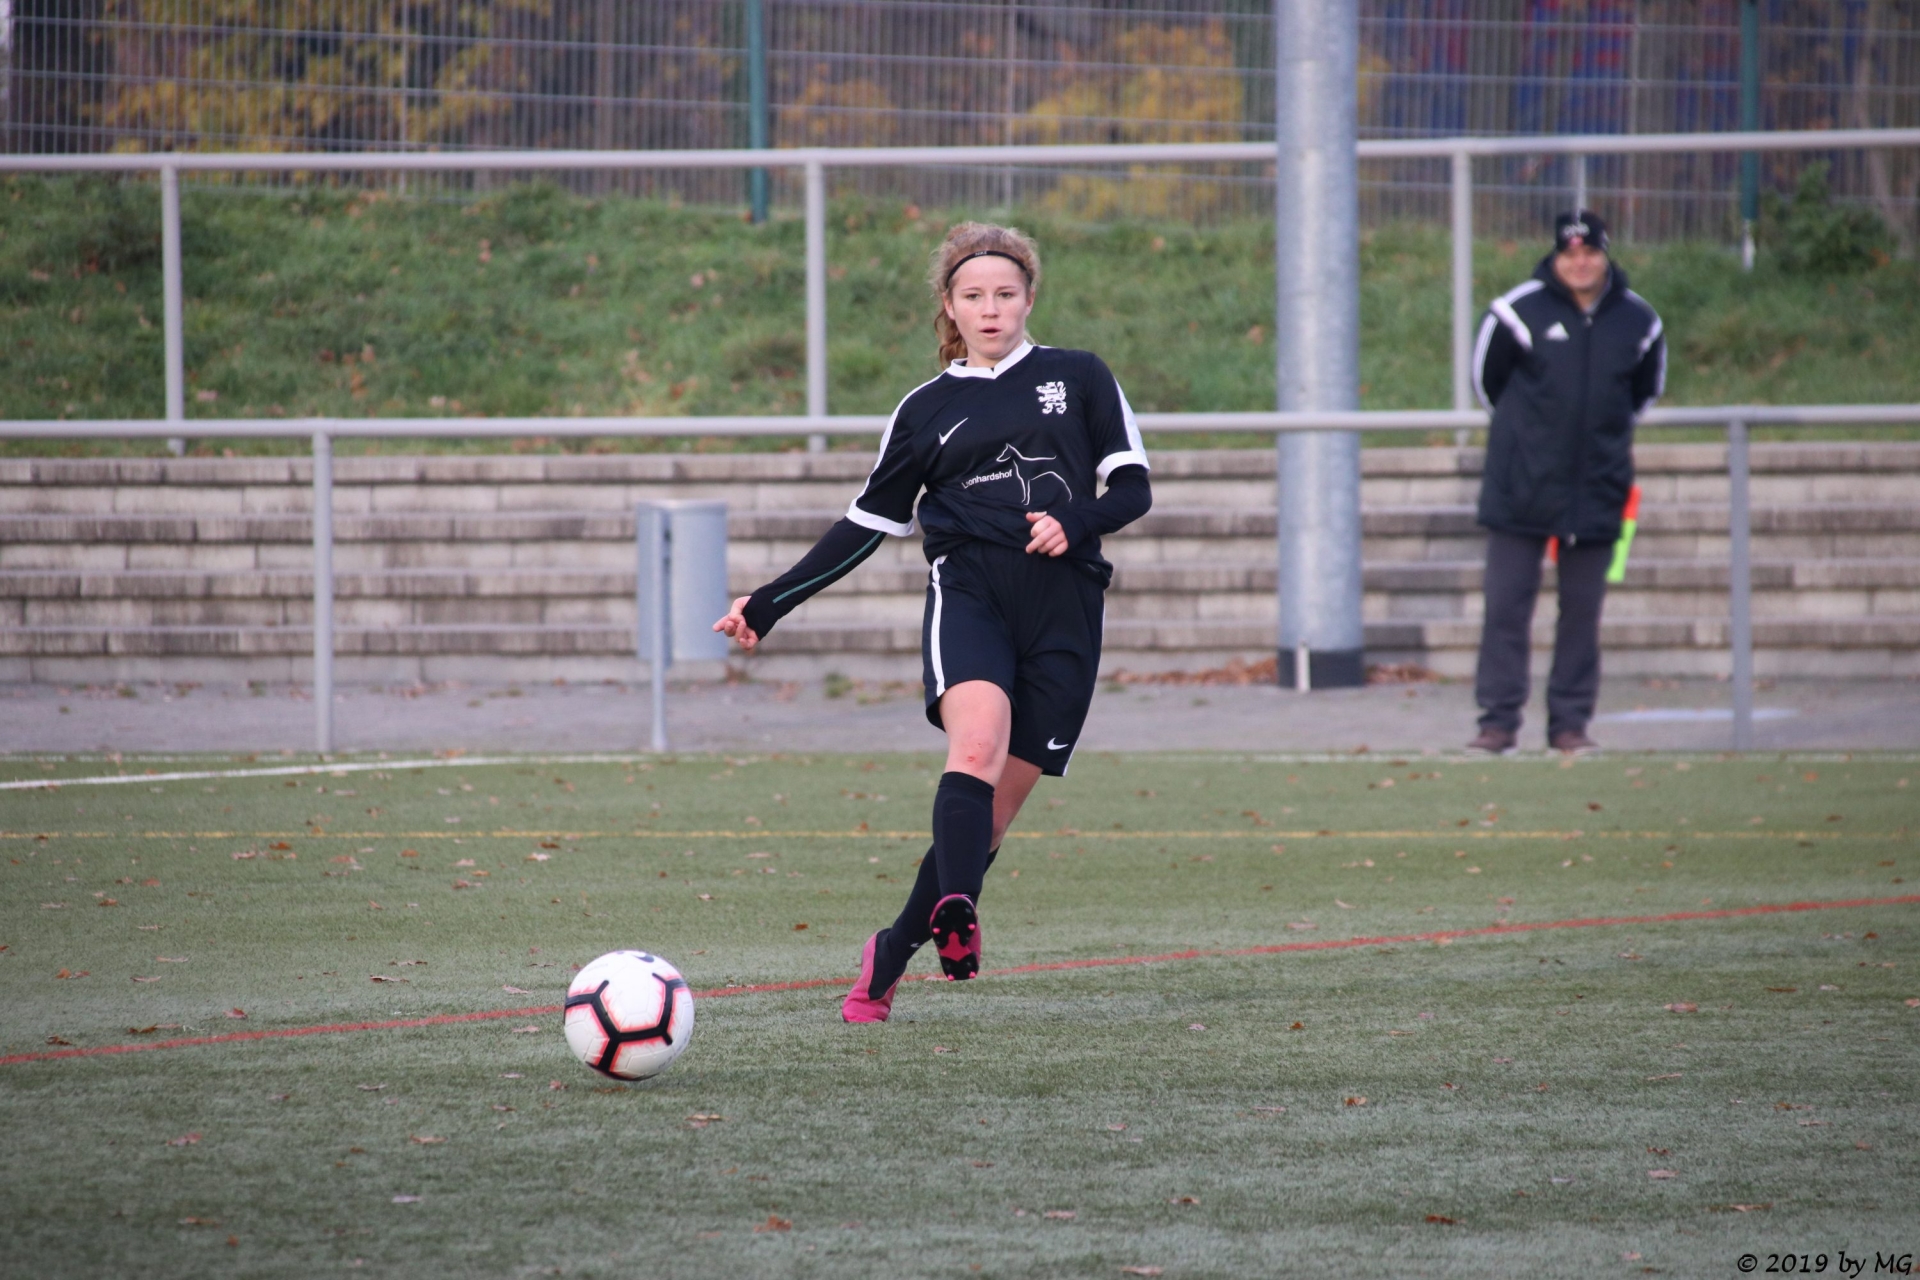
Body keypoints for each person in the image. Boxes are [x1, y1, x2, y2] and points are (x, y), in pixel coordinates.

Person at [712, 221, 1152, 1021]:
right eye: (974, 295)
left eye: (1006, 293)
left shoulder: (1080, 376)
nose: (992, 308)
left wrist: (1075, 520)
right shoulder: (925, 409)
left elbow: (1132, 488)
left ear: (1029, 297)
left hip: (1066, 611)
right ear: (950, 305)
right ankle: (958, 911)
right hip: (971, 594)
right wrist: (769, 602)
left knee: (992, 820)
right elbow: (866, 524)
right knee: (975, 747)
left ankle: (892, 950)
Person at [1468, 210, 1666, 755]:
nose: (1580, 263)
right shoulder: (1516, 312)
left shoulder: (1638, 320)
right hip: (1521, 488)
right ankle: (1498, 723)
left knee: (1582, 613)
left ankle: (1570, 725)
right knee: (1506, 609)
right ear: (1556, 257)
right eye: (1570, 254)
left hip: (1599, 488)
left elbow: (1643, 393)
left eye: (1590, 253)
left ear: (1605, 255)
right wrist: (1530, 442)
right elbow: (1487, 384)